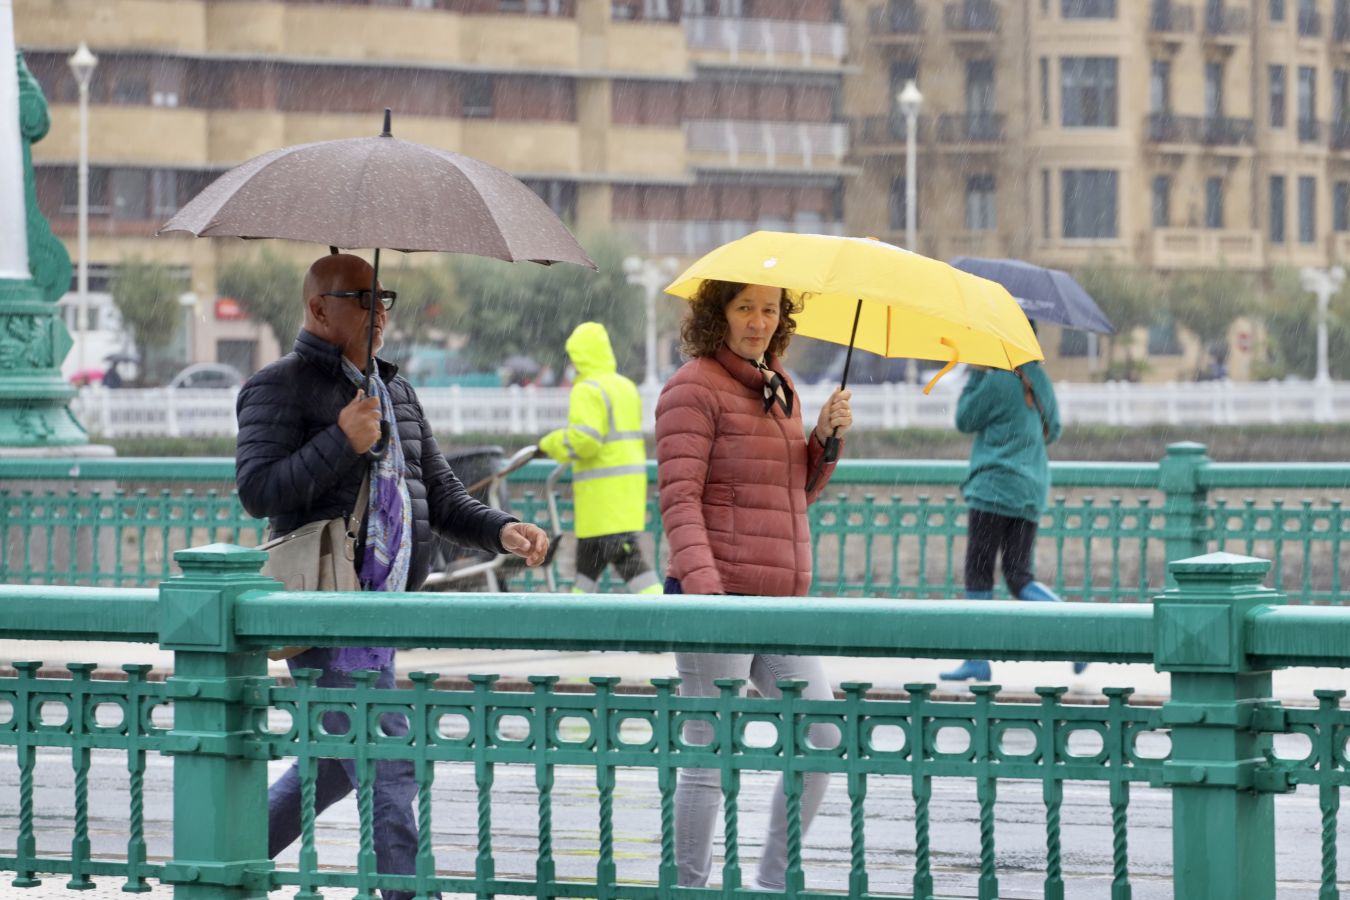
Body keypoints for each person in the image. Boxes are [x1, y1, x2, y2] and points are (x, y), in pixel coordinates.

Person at [235, 253, 549, 900]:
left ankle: (224, 855)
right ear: (319, 308)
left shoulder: (394, 391)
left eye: (386, 299)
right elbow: (258, 491)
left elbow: (440, 493)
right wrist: (340, 442)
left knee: (334, 765)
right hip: (323, 609)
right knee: (386, 756)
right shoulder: (279, 386)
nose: (380, 312)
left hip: (381, 610)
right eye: (362, 298)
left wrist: (501, 530)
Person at [655, 279, 853, 892]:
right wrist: (708, 595)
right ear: (719, 316)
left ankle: (771, 881)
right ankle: (688, 886)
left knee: (822, 734)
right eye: (745, 308)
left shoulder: (781, 388)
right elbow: (679, 500)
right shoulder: (692, 388)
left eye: (770, 309)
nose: (759, 321)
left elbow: (793, 495)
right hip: (715, 600)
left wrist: (823, 441)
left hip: (777, 601)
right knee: (708, 754)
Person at [941, 359, 1086, 682]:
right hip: (1030, 488)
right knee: (1019, 575)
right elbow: (1055, 429)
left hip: (993, 488)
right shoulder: (1040, 379)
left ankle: (977, 660)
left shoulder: (996, 382)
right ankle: (1074, 634)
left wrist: (977, 372)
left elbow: (965, 419)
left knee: (978, 573)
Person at [539, 321, 659, 595]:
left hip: (602, 500)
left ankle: (666, 613)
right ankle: (573, 624)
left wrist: (550, 443)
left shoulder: (588, 390)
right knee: (586, 571)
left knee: (631, 565)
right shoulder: (625, 386)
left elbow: (586, 440)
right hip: (626, 493)